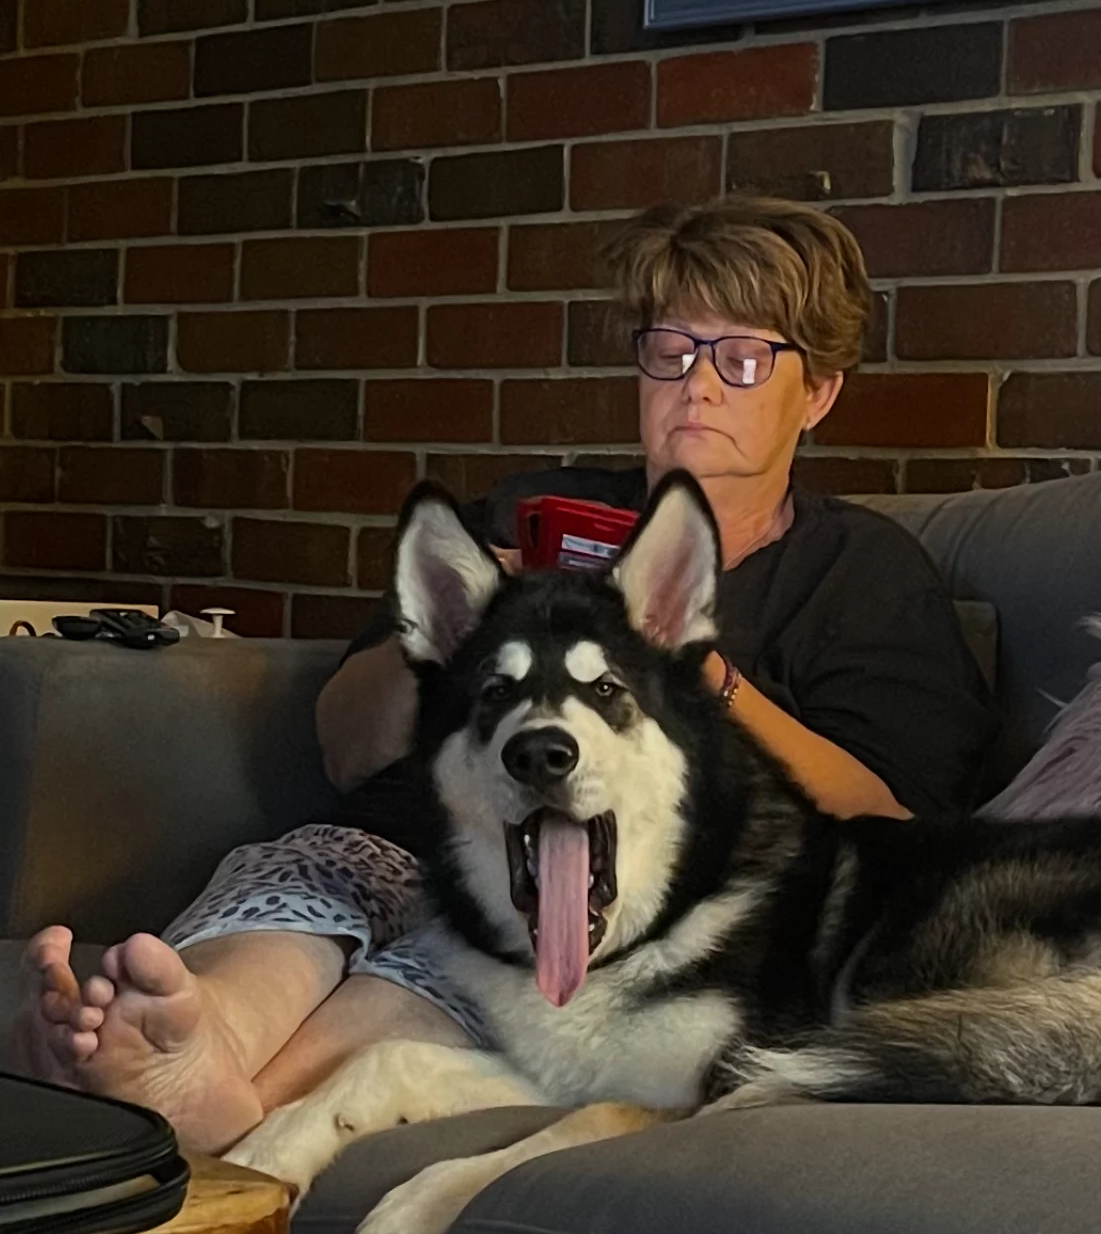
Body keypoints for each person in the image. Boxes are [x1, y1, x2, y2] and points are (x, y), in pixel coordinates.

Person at [7, 196, 994, 1153]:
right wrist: (462, 628)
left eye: (740, 358)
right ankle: (194, 1027)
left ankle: (212, 1099)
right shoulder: (532, 511)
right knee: (314, 874)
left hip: (584, 889)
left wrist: (700, 671)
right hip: (396, 836)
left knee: (480, 946)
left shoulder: (862, 575)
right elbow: (345, 746)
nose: (696, 386)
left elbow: (887, 822)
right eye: (670, 350)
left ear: (818, 392)